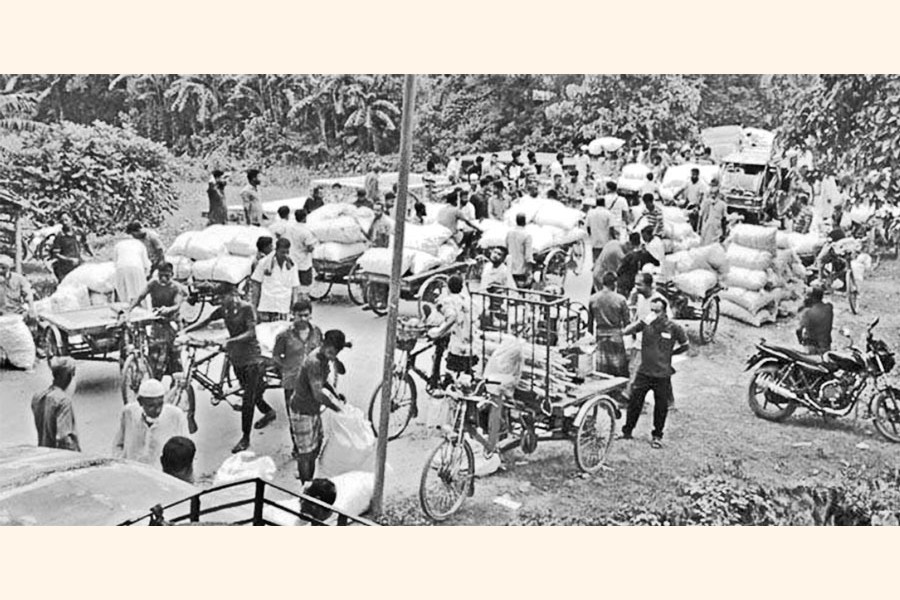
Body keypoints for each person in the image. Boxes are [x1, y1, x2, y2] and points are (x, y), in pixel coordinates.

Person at [183, 283, 275, 453]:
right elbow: (207, 321)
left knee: (248, 399)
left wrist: (229, 341)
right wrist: (187, 330)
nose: (220, 301)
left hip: (251, 358)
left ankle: (245, 437)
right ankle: (269, 412)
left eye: (222, 297)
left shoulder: (247, 308)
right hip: (236, 357)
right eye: (218, 299)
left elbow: (251, 333)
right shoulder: (224, 310)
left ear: (232, 294)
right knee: (250, 391)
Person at [618, 296, 689, 448]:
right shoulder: (646, 324)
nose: (653, 314)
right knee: (634, 403)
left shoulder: (674, 327)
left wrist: (671, 353)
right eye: (651, 310)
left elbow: (685, 345)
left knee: (661, 406)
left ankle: (657, 436)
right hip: (644, 371)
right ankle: (627, 431)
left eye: (656, 311)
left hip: (662, 374)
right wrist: (641, 322)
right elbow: (626, 331)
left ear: (664, 312)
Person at [291, 330, 349, 483]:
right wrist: (336, 408)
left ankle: (306, 476)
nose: (332, 356)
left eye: (335, 353)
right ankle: (306, 486)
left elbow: (328, 378)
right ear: (323, 344)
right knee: (305, 454)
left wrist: (335, 394)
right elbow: (318, 394)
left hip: (313, 410)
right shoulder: (314, 362)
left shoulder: (325, 358)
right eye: (330, 352)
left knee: (315, 447)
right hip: (302, 410)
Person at [127, 262, 188, 395]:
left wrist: (167, 309)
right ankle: (155, 384)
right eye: (161, 275)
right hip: (157, 322)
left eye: (166, 276)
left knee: (174, 355)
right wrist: (129, 310)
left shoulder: (177, 288)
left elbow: (176, 306)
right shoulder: (153, 284)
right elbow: (140, 296)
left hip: (172, 323)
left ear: (172, 275)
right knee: (154, 353)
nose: (163, 279)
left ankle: (176, 386)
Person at [112, 378, 189, 466]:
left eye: (160, 404)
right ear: (140, 402)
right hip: (133, 473)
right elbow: (117, 445)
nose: (157, 410)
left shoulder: (176, 416)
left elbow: (187, 451)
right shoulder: (129, 413)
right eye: (151, 406)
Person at [273, 297, 323, 413]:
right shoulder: (284, 336)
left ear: (310, 315)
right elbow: (276, 356)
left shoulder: (317, 332)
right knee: (294, 417)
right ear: (293, 315)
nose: (303, 319)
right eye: (300, 316)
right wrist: (285, 368)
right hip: (292, 381)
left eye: (306, 315)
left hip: (312, 381)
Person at [428, 275, 476, 378]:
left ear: (448, 288)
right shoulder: (468, 300)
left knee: (441, 348)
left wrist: (439, 331)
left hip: (458, 346)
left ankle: (437, 381)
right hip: (472, 344)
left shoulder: (448, 301)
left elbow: (452, 317)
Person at [32, 356, 80, 451]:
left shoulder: (38, 397)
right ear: (69, 375)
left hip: (43, 452)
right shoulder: (63, 401)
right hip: (59, 457)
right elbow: (64, 438)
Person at [588, 271, 630, 377]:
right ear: (615, 283)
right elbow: (627, 323)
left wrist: (590, 338)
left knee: (602, 365)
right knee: (618, 365)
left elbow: (590, 323)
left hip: (600, 334)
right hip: (616, 334)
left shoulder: (593, 299)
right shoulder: (621, 299)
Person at [251, 236, 299, 322]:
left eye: (287, 252)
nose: (285, 255)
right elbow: (256, 285)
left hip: (283, 306)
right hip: (266, 306)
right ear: (276, 250)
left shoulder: (292, 265)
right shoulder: (264, 263)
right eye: (282, 252)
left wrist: (294, 307)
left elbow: (294, 287)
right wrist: (254, 306)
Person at [114, 224, 151, 306]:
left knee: (124, 294)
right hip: (136, 267)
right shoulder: (139, 244)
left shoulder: (118, 245)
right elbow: (146, 264)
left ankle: (126, 312)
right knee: (140, 292)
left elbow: (115, 263)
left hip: (120, 269)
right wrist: (146, 275)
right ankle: (145, 313)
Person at [49, 214, 91, 282]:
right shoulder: (60, 236)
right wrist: (69, 260)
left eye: (66, 220)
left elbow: (85, 244)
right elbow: (56, 254)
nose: (64, 223)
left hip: (78, 264)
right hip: (65, 267)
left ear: (71, 220)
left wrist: (92, 254)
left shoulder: (79, 232)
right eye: (62, 221)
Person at [286, 209, 317, 295]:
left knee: (294, 284)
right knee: (305, 285)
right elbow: (310, 248)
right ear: (304, 218)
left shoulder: (290, 228)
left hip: (292, 259)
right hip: (303, 262)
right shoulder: (306, 232)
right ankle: (303, 300)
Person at [796, 285, 833, 354]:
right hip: (826, 346)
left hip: (812, 347)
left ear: (812, 298)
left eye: (808, 296)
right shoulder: (829, 308)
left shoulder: (807, 313)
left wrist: (800, 340)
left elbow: (798, 330)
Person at [506, 213, 534, 288]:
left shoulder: (510, 233)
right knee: (521, 290)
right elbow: (528, 255)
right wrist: (530, 270)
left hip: (510, 266)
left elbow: (506, 246)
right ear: (525, 222)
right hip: (521, 268)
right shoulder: (527, 235)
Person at [616, 232, 646, 297]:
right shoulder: (644, 253)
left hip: (625, 283)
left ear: (630, 242)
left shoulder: (629, 256)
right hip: (635, 282)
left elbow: (619, 270)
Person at [699, 179, 727, 246]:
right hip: (707, 227)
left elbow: (724, 219)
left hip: (717, 227)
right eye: (712, 185)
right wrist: (699, 229)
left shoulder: (722, 203)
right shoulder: (706, 201)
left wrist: (724, 233)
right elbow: (701, 215)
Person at [585, 198, 612, 262]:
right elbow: (611, 227)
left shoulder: (590, 213)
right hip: (605, 241)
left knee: (596, 260)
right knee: (604, 261)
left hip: (594, 240)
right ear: (604, 203)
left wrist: (591, 235)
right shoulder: (607, 213)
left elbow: (588, 226)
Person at [682, 168, 707, 232]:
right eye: (692, 174)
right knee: (688, 221)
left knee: (695, 222)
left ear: (698, 175)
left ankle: (695, 232)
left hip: (696, 205)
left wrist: (698, 205)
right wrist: (674, 196)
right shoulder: (689, 182)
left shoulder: (701, 184)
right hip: (689, 204)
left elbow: (701, 195)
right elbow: (682, 189)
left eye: (695, 175)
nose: (693, 176)